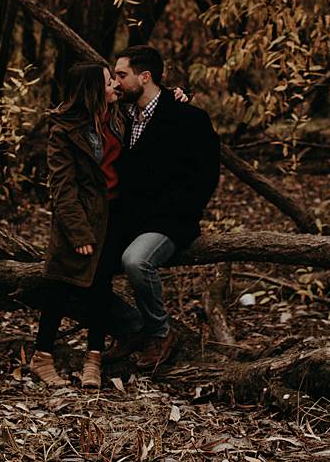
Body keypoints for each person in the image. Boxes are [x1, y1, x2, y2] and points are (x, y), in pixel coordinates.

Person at [107, 44, 220, 371]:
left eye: (121, 75)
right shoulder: (122, 116)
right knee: (86, 269)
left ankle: (159, 333)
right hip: (127, 219)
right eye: (114, 76)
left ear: (144, 77)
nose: (116, 82)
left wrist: (181, 211)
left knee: (136, 260)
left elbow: (206, 176)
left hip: (170, 221)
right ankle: (130, 328)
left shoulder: (188, 117)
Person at [30, 62, 125, 390]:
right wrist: (79, 232)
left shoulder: (117, 119)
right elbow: (62, 186)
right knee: (60, 285)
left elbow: (154, 99)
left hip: (111, 218)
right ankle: (41, 356)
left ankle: (93, 359)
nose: (115, 85)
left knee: (101, 287)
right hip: (79, 221)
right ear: (93, 90)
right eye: (109, 81)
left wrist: (179, 95)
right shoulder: (63, 130)